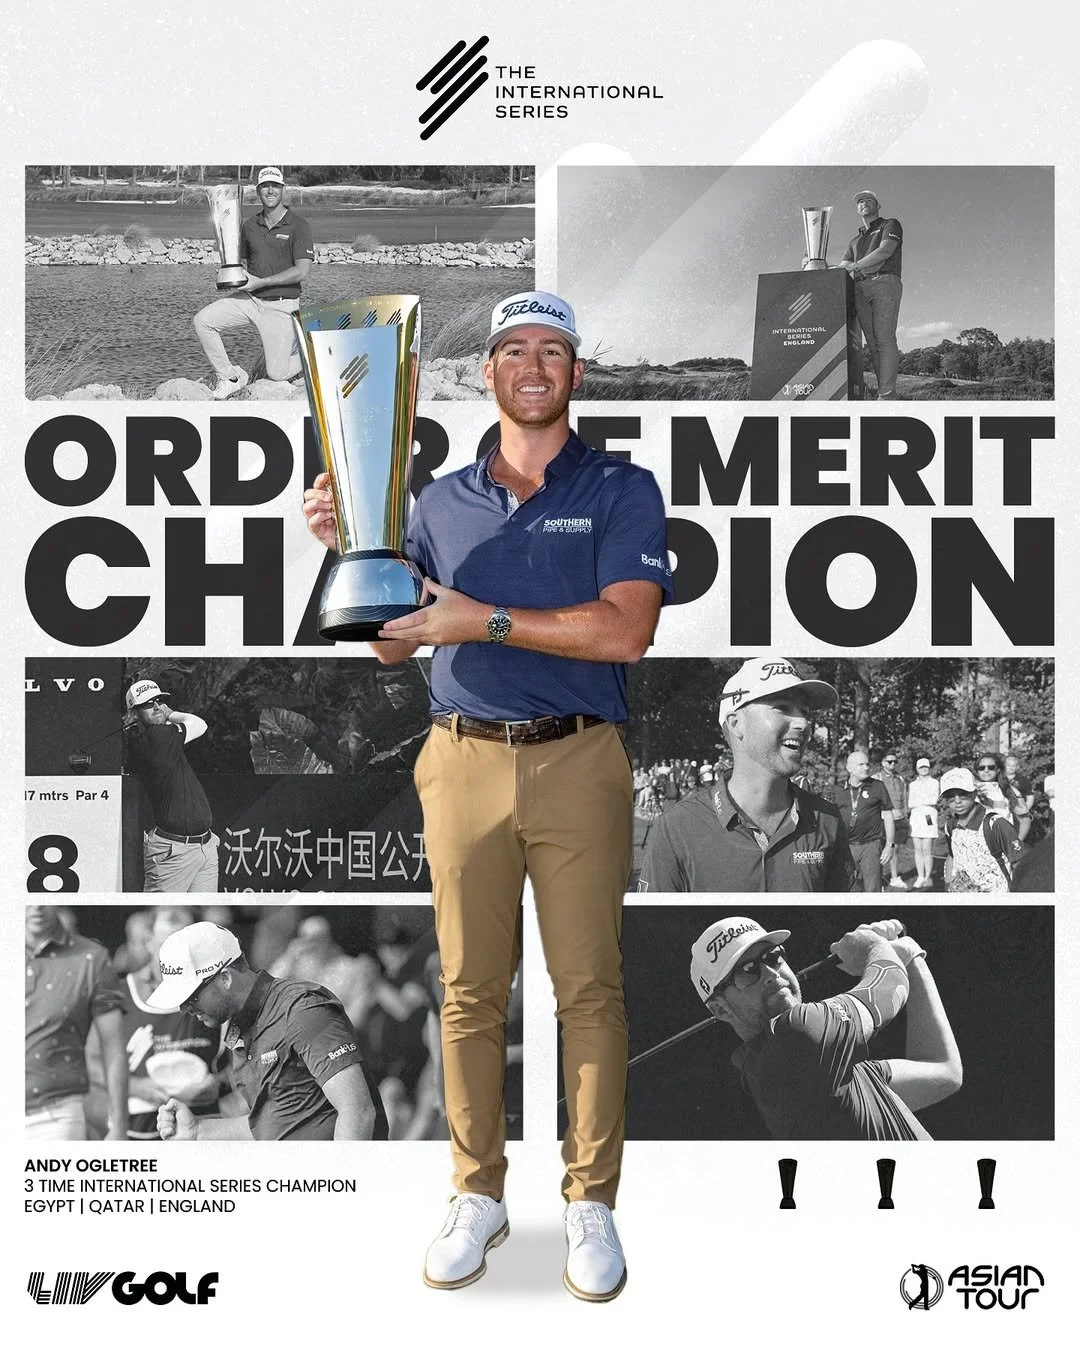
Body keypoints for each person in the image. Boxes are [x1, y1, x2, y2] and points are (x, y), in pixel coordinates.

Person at [303, 289, 670, 1301]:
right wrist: (353, 548)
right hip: (459, 757)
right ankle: (479, 1192)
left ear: (576, 375)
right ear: (488, 373)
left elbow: (623, 632)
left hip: (579, 757)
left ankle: (589, 1201)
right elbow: (391, 644)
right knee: (468, 991)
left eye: (553, 350)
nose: (533, 366)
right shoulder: (433, 501)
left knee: (590, 990)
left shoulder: (622, 488)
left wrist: (487, 621)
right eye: (514, 350)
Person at [689, 915, 962, 1140]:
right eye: (747, 970)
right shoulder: (795, 1037)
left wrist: (911, 957)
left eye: (773, 956)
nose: (772, 974)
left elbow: (944, 1071)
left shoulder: (832, 1069)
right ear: (720, 1009)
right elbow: (888, 989)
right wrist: (873, 948)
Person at [151, 921, 388, 1141]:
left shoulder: (301, 1009)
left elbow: (358, 1111)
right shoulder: (241, 1026)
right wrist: (197, 1131)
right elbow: (272, 1124)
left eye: (191, 996)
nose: (184, 1008)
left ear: (225, 979)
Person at [638, 658, 856, 892]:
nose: (803, 723)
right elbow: (656, 927)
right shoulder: (676, 828)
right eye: (782, 707)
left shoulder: (827, 820)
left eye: (804, 712)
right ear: (736, 724)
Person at [88, 906, 225, 1140]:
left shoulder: (216, 993)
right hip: (135, 1131)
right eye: (167, 943)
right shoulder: (119, 994)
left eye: (185, 947)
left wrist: (219, 1086)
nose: (175, 954)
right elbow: (91, 1063)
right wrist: (136, 1086)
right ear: (149, 942)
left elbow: (243, 1063)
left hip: (201, 1129)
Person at [192, 166, 314, 399]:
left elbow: (302, 271)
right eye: (265, 186)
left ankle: (315, 349)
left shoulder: (299, 226)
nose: (270, 191)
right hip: (249, 300)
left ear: (282, 189)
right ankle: (230, 377)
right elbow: (241, 264)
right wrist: (230, 273)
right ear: (258, 190)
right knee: (203, 321)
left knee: (277, 373)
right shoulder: (249, 226)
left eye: (275, 186)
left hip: (281, 305)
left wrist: (260, 282)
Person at [25, 905, 129, 1140]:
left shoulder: (92, 957)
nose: (37, 906)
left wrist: (119, 1126)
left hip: (55, 1116)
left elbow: (112, 1046)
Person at [124, 678, 219, 892]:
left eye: (159, 701)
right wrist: (170, 713)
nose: (157, 707)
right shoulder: (158, 737)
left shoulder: (159, 738)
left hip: (205, 846)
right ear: (134, 714)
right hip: (173, 853)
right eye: (148, 704)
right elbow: (200, 724)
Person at [834, 189, 903, 399]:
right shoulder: (855, 240)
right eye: (860, 201)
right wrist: (815, 263)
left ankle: (886, 396)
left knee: (884, 338)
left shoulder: (889, 224)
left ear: (877, 206)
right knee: (872, 343)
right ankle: (885, 394)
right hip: (861, 288)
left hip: (884, 282)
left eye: (869, 200)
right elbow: (842, 267)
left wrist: (855, 266)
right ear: (857, 209)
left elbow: (885, 251)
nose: (864, 203)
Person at [939, 768, 1022, 893]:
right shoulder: (950, 826)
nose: (957, 801)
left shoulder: (995, 824)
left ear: (974, 793)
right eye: (950, 796)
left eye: (963, 793)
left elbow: (1020, 864)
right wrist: (948, 882)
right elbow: (952, 856)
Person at [825, 751, 895, 892]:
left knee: (872, 889)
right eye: (861, 764)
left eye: (867, 764)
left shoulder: (877, 786)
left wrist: (889, 845)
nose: (866, 768)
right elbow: (828, 821)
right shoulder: (837, 790)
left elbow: (888, 815)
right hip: (845, 847)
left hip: (871, 845)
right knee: (847, 888)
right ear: (849, 768)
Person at [873, 749, 909, 889]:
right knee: (881, 850)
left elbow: (904, 799)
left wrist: (905, 815)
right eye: (890, 761)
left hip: (899, 818)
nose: (893, 764)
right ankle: (879, 880)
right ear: (883, 763)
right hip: (883, 818)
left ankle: (894, 877)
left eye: (895, 761)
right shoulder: (877, 778)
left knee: (895, 849)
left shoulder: (900, 778)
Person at [907, 757, 940, 889]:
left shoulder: (934, 782)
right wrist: (923, 800)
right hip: (916, 817)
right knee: (918, 849)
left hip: (929, 817)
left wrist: (920, 801)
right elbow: (910, 803)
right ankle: (920, 876)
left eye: (926, 767)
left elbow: (934, 800)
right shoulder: (912, 785)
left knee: (927, 849)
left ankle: (928, 877)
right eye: (921, 767)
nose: (924, 769)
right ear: (917, 769)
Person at [1003, 755, 1036, 843]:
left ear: (1017, 767)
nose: (1011, 768)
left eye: (1013, 766)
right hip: (1002, 809)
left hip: (1018, 811)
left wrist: (1025, 810)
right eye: (1008, 765)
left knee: (1019, 836)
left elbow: (1030, 796)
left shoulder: (1023, 780)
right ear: (1004, 766)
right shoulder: (1000, 779)